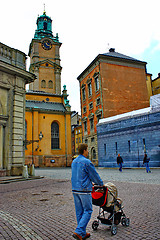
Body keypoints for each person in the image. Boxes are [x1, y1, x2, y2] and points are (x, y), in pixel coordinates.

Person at [71, 143, 103, 240]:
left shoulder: (74, 162)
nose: (88, 151)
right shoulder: (86, 162)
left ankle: (82, 233)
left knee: (79, 212)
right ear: (84, 150)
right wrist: (101, 184)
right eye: (87, 150)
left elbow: (79, 175)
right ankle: (78, 231)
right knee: (88, 210)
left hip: (75, 189)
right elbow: (94, 176)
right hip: (84, 190)